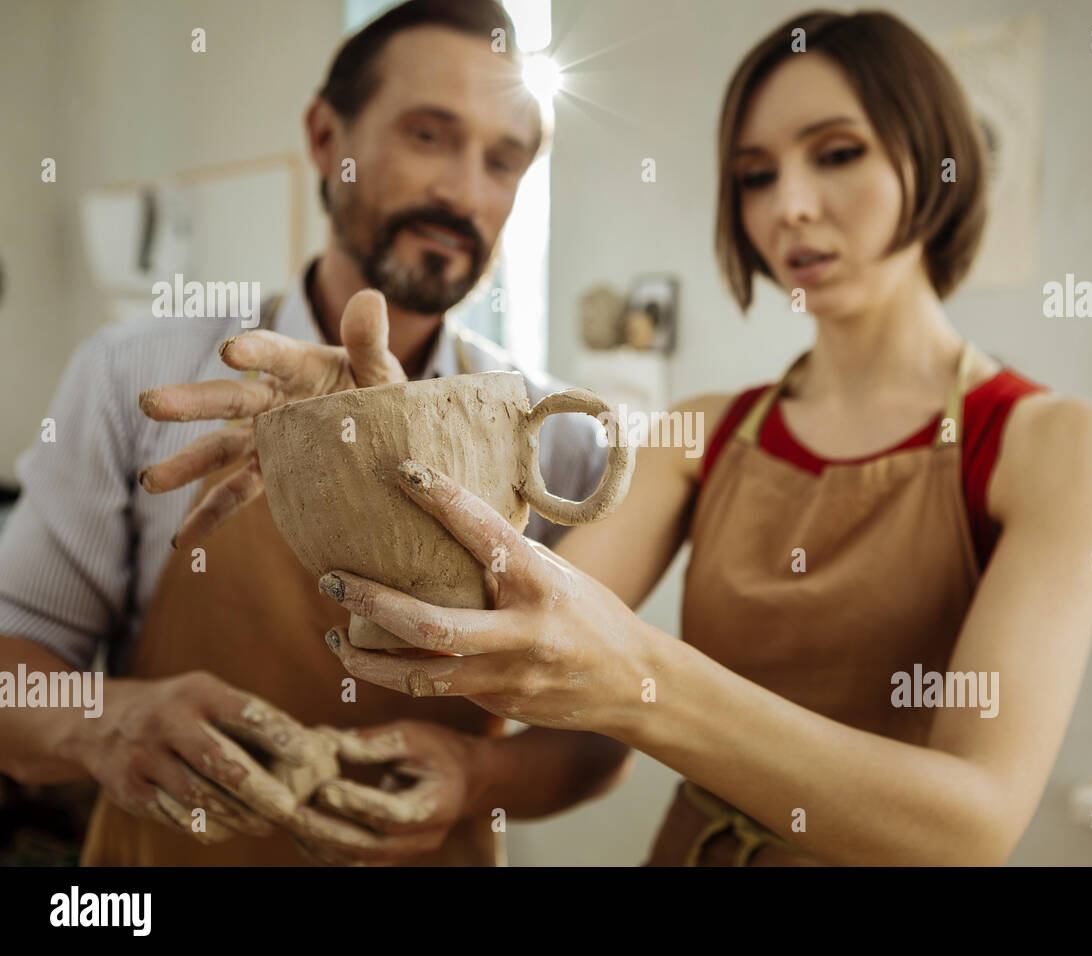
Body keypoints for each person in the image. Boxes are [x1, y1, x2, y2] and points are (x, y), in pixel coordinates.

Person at [302, 9, 1092, 865]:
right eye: (754, 175)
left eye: (838, 153)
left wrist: (642, 683)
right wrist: (335, 435)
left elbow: (972, 824)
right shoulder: (699, 433)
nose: (791, 208)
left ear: (934, 158)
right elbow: (505, 619)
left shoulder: (1057, 446)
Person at [0, 0, 630, 867]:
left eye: (504, 159)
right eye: (427, 135)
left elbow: (605, 735)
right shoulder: (135, 374)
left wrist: (479, 776)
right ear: (327, 136)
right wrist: (110, 722)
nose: (463, 190)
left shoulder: (556, 438)